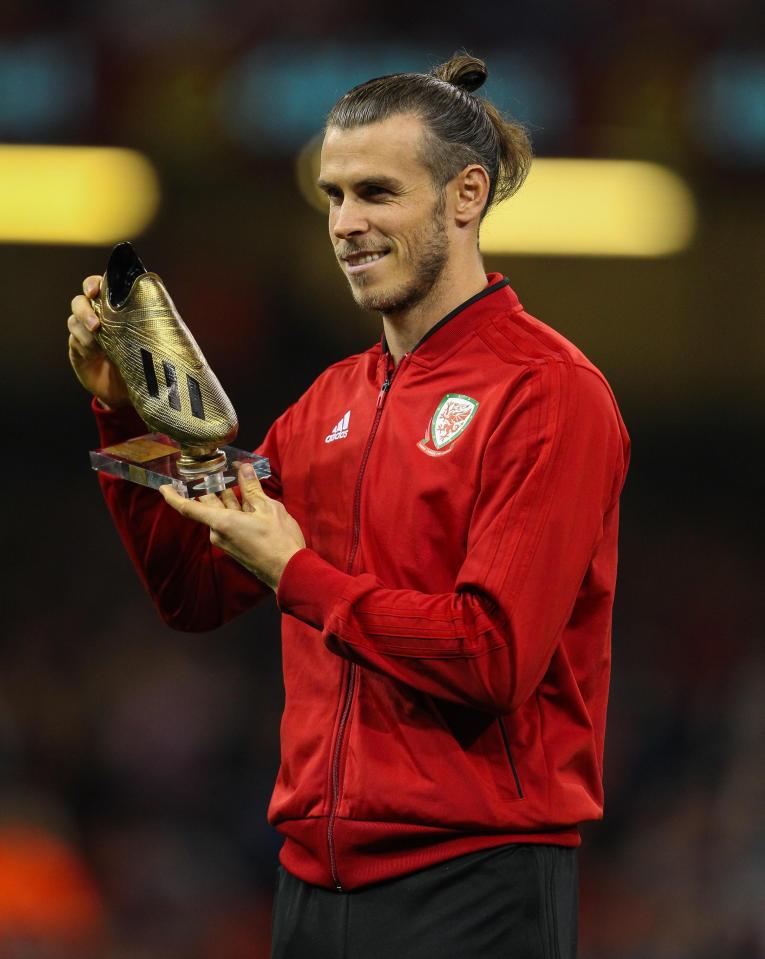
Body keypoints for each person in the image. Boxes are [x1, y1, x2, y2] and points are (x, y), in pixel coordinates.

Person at [67, 53, 630, 959]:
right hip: (311, 881)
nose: (346, 224)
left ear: (465, 195)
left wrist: (300, 573)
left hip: (474, 882)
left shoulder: (548, 392)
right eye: (332, 195)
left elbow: (491, 657)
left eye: (376, 192)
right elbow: (194, 595)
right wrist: (124, 407)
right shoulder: (329, 401)